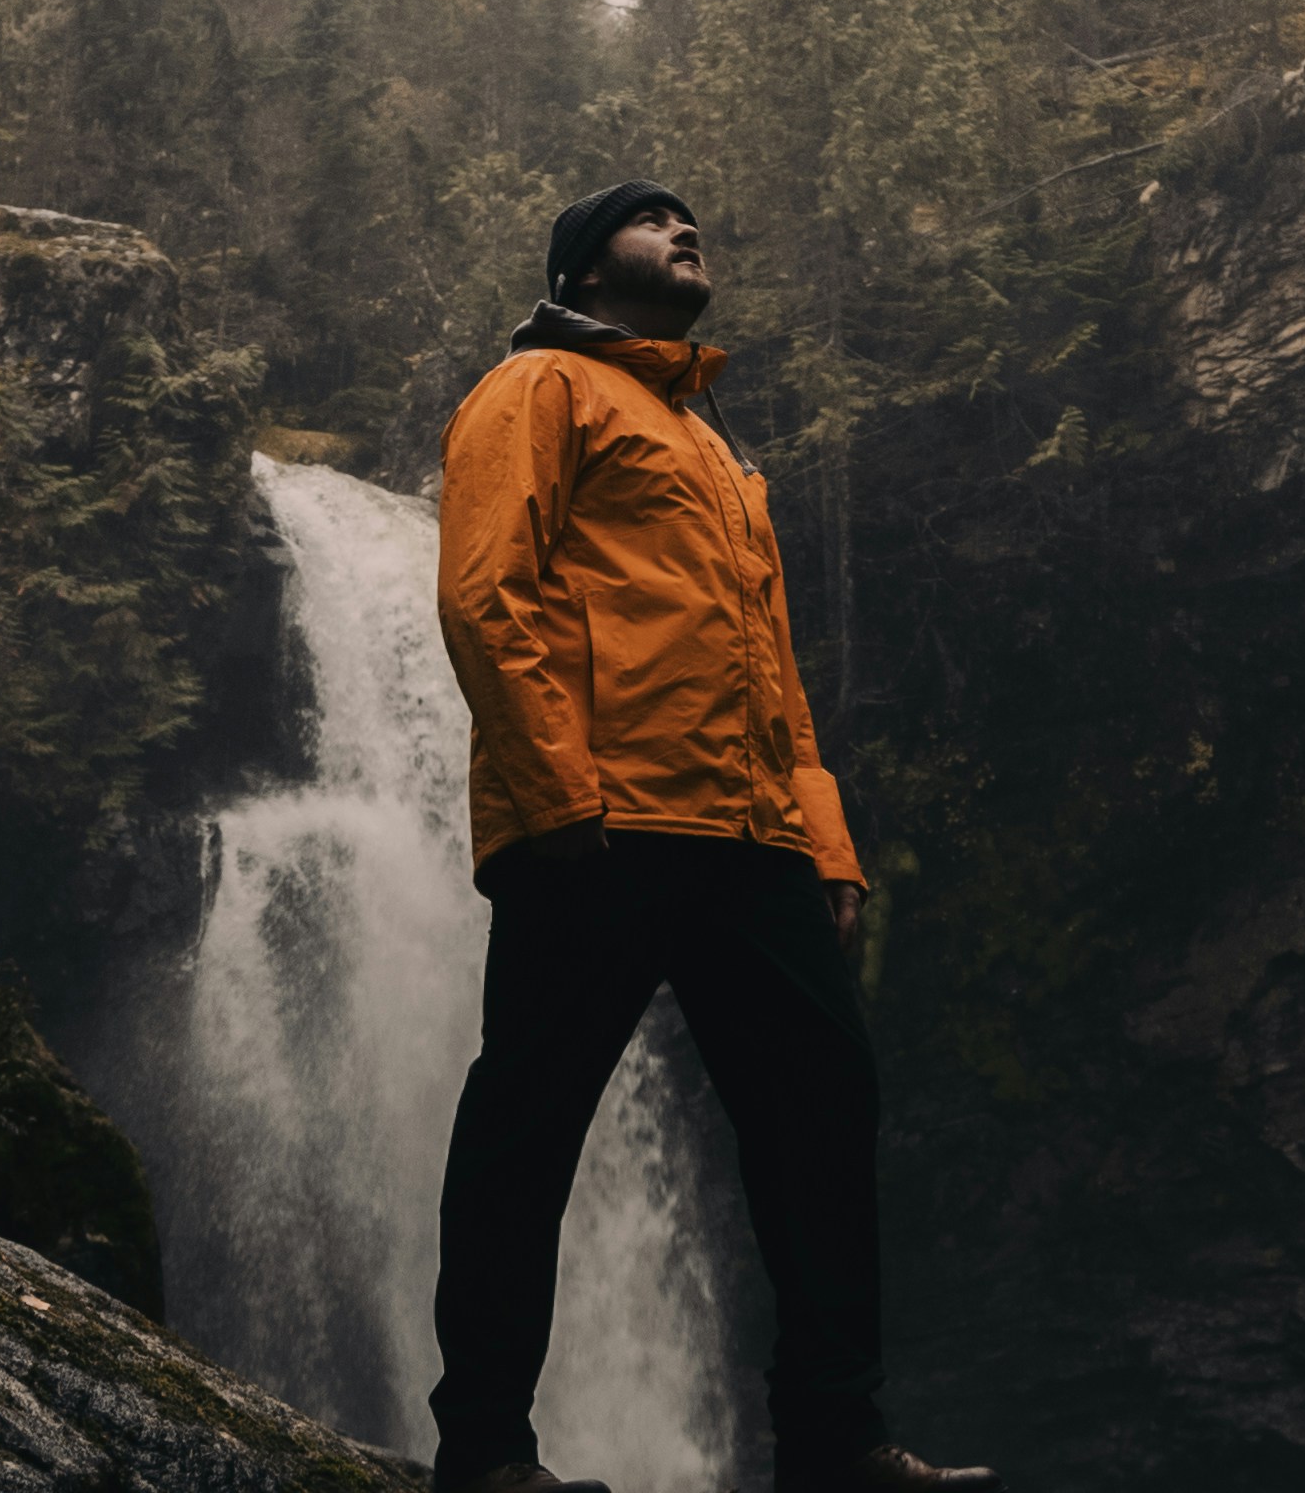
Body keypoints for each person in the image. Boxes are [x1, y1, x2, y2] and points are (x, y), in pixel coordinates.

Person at [427, 180, 999, 1493]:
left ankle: (833, 1442)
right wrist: (560, 789)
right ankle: (483, 1453)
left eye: (691, 222)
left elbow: (769, 669)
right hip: (599, 824)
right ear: (581, 269)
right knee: (528, 1121)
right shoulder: (534, 392)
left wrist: (825, 843)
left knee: (823, 1113)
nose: (684, 232)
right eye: (649, 221)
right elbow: (484, 594)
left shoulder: (710, 442)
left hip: (748, 836)